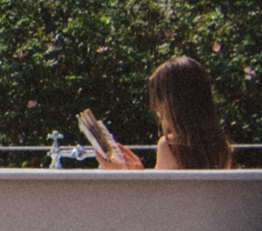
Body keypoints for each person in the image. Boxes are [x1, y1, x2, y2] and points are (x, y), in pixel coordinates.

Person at [90, 56, 235, 169]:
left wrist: (121, 171)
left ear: (172, 104)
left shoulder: (170, 146)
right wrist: (140, 172)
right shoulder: (221, 145)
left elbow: (156, 200)